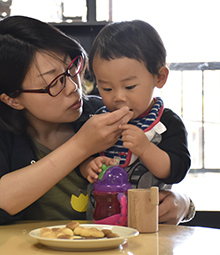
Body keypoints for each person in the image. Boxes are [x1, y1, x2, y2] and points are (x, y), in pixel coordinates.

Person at [0, 15, 194, 226]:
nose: (73, 88)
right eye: (54, 83)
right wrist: (82, 146)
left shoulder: (102, 112)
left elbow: (163, 170)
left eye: (72, 68)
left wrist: (184, 204)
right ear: (13, 100)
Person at [80, 20, 191, 191]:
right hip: (100, 215)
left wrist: (145, 149)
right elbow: (80, 158)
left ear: (159, 77)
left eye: (129, 87)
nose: (118, 97)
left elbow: (177, 170)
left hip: (147, 214)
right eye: (107, 88)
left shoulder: (166, 122)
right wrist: (89, 166)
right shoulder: (97, 122)